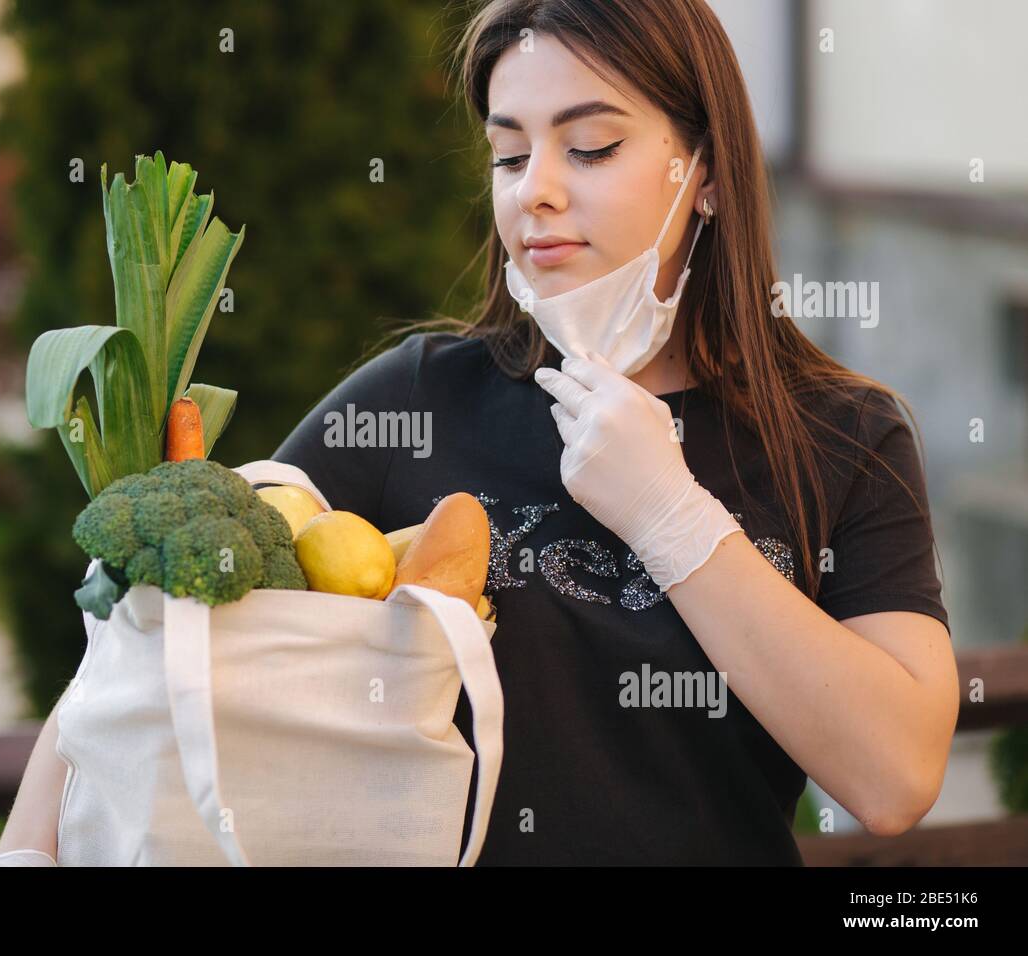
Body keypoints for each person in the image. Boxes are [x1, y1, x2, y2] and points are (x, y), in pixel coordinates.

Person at [268, 0, 958, 865]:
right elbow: (183, 605)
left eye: (591, 146)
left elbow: (894, 777)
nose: (535, 190)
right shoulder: (418, 398)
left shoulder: (843, 435)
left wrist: (670, 513)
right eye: (509, 154)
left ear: (703, 170)